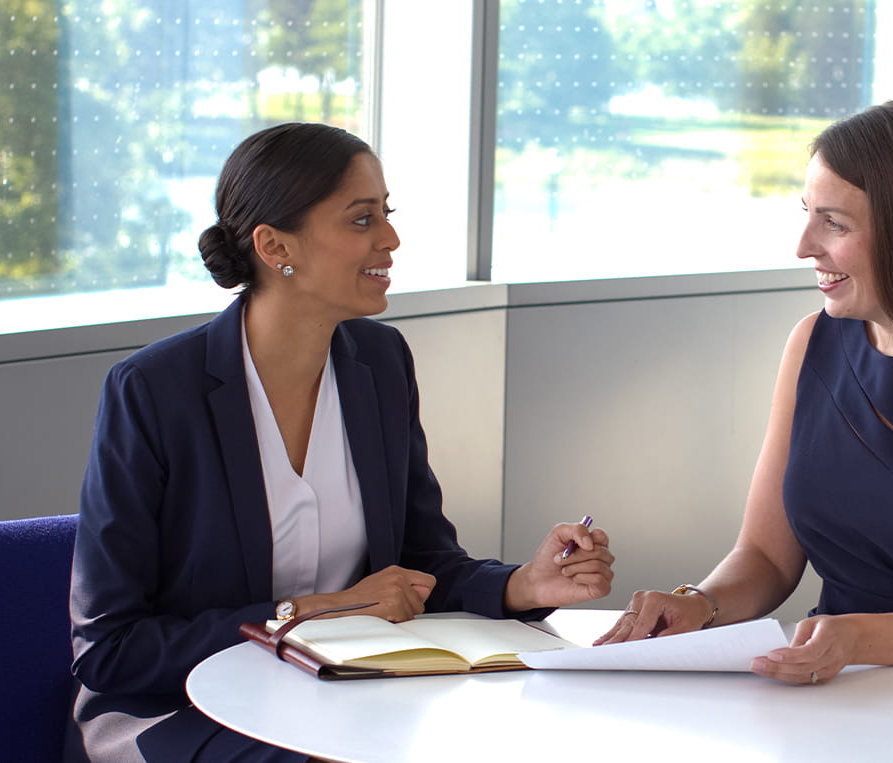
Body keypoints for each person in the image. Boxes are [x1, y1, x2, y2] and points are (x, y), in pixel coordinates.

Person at [64, 122, 614, 762]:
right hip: (180, 710)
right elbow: (111, 652)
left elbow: (423, 564)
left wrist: (526, 584)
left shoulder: (380, 363)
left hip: (346, 695)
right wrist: (310, 612)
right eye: (361, 221)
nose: (391, 239)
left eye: (387, 213)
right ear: (274, 246)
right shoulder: (155, 390)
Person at [596, 101, 893, 761]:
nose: (804, 247)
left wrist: (855, 638)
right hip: (837, 696)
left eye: (834, 223)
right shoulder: (812, 342)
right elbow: (766, 558)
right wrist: (699, 605)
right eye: (806, 215)